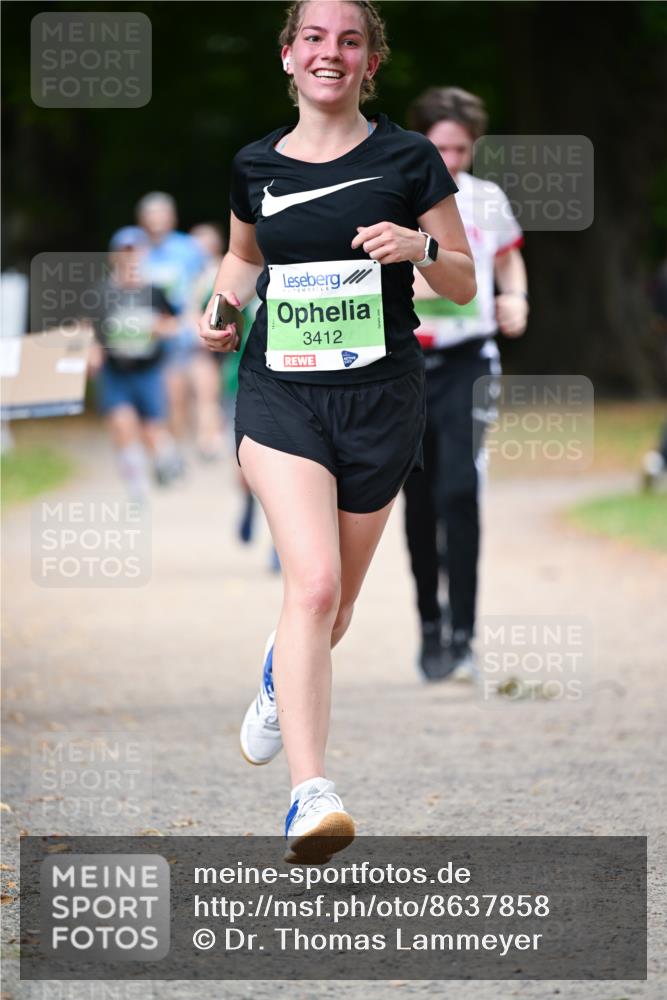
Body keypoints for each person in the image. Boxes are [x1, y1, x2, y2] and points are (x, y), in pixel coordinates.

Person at [199, 0, 475, 863]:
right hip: (283, 395)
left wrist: (418, 251)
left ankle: (283, 676)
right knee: (311, 586)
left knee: (336, 605)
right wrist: (220, 310)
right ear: (288, 56)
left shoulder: (409, 158)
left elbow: (463, 282)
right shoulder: (253, 164)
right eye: (313, 38)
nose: (330, 52)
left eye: (347, 41)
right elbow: (245, 257)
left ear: (368, 61)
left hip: (383, 399)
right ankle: (310, 796)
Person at [402, 87, 528, 681]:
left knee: (460, 492)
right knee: (420, 500)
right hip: (404, 366)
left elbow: (506, 259)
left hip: (468, 362)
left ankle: (464, 634)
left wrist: (516, 298)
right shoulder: (394, 197)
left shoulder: (486, 199)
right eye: (439, 147)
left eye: (460, 149)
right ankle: (429, 624)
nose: (450, 160)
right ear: (420, 140)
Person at [87, 226, 179, 502]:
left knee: (153, 429)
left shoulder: (155, 290)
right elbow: (86, 328)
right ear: (114, 257)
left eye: (135, 252)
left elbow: (176, 322)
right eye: (124, 253)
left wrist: (159, 328)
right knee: (122, 422)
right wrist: (91, 351)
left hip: (148, 370)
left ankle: (166, 459)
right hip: (116, 371)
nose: (130, 258)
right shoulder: (102, 292)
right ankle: (136, 483)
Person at [136, 192, 205, 462]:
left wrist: (195, 314)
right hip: (145, 334)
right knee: (153, 397)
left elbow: (203, 280)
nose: (157, 219)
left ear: (172, 217)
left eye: (162, 213)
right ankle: (163, 447)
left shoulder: (187, 248)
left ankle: (175, 448)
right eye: (151, 214)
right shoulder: (134, 248)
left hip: (178, 333)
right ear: (142, 219)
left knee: (176, 394)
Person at [188, 223, 228, 460]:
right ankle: (208, 438)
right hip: (204, 341)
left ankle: (216, 433)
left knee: (218, 391)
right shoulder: (193, 274)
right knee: (205, 391)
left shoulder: (224, 268)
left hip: (229, 339)